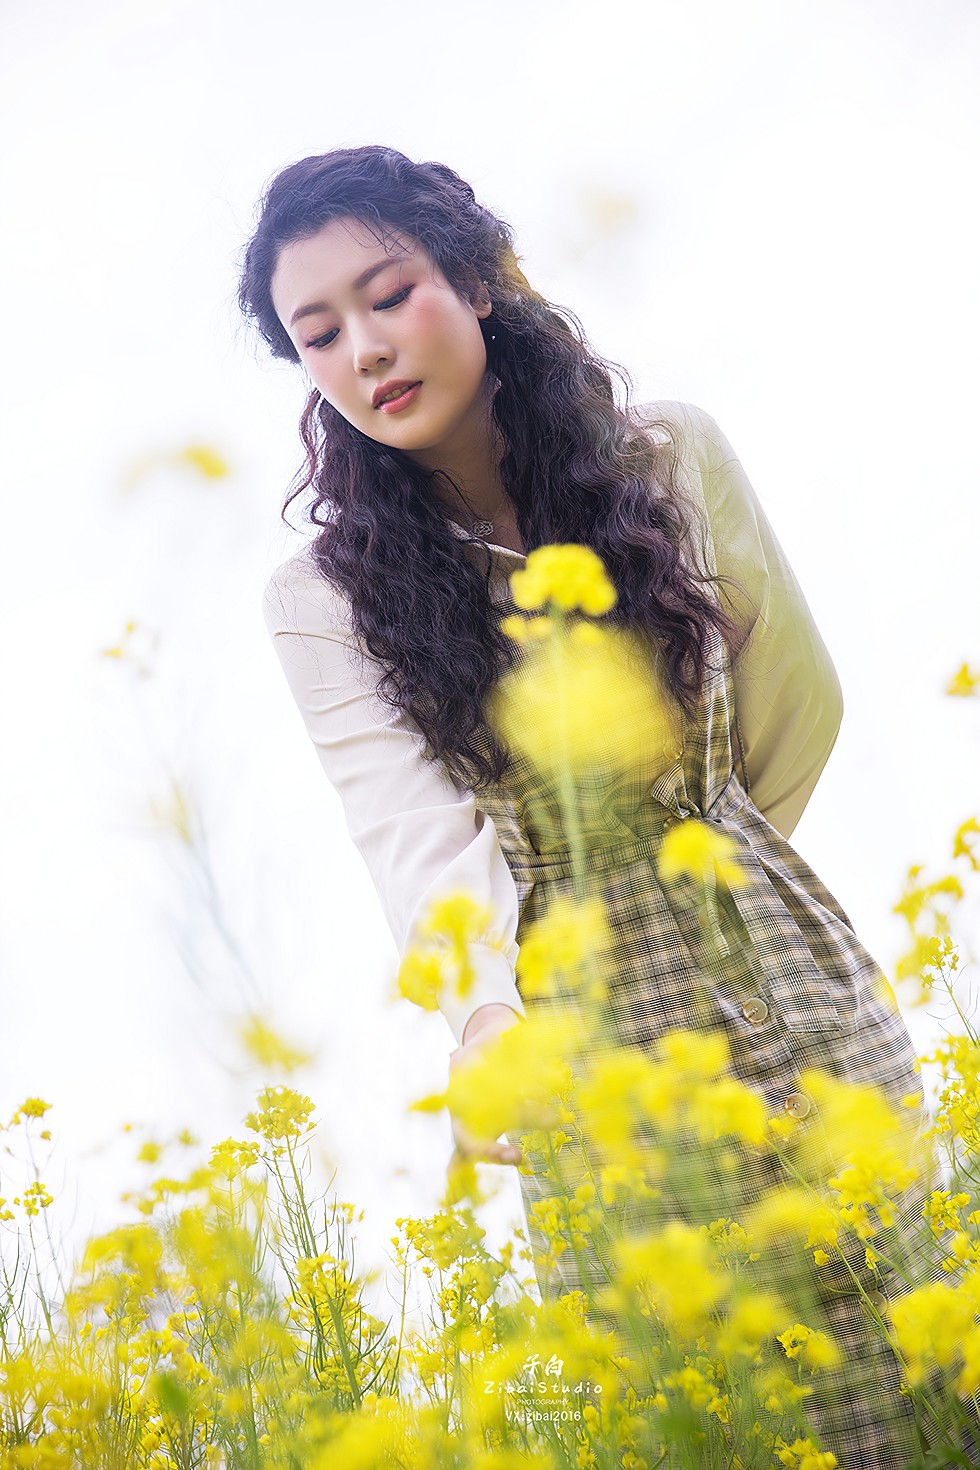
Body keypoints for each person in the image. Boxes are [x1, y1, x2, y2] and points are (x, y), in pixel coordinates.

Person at [238, 145, 954, 1468]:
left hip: (804, 984)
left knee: (919, 1370)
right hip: (591, 1053)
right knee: (710, 1405)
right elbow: (415, 839)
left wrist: (706, 875)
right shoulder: (320, 597)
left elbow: (799, 702)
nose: (363, 350)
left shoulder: (670, 452)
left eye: (388, 293)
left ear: (477, 278)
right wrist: (492, 1021)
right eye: (318, 331)